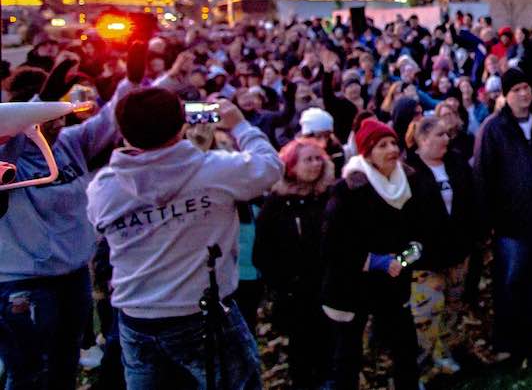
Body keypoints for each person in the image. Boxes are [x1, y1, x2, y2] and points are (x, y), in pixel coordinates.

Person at [87, 90, 283, 389]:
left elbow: (99, 222)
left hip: (137, 319)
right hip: (204, 317)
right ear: (182, 126)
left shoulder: (104, 188)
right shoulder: (215, 170)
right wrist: (240, 124)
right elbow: (270, 166)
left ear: (124, 133)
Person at [0, 52, 136, 390]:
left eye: (60, 112)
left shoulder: (69, 144)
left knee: (65, 365)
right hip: (24, 284)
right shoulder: (6, 155)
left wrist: (131, 80)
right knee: (29, 373)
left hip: (72, 277)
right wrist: (43, 98)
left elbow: (109, 120)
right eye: (49, 114)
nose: (59, 121)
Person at [472, 68, 532, 362]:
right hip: (510, 225)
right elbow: (483, 177)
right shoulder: (493, 129)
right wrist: (488, 223)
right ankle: (507, 341)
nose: (523, 94)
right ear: (505, 95)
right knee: (510, 284)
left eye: (527, 87)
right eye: (516, 89)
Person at [320, 118, 425, 390]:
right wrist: (376, 261)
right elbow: (333, 244)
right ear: (366, 153)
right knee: (347, 357)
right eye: (381, 145)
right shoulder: (348, 190)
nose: (391, 149)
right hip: (351, 285)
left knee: (405, 348)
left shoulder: (410, 182)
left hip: (392, 284)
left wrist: (401, 261)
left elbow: (420, 234)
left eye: (393, 143)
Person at [254, 138, 335, 389]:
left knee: (330, 348)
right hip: (295, 293)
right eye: (307, 159)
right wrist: (282, 283)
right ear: (291, 165)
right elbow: (263, 251)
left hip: (328, 287)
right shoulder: (277, 203)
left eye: (318, 158)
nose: (314, 165)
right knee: (301, 350)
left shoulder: (330, 197)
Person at [405, 116, 476, 379]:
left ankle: (443, 356)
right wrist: (405, 258)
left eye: (447, 134)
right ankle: (417, 371)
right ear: (422, 139)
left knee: (452, 309)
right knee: (424, 317)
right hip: (424, 261)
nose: (446, 139)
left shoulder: (456, 163)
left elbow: (470, 200)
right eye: (439, 135)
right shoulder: (407, 170)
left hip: (457, 253)